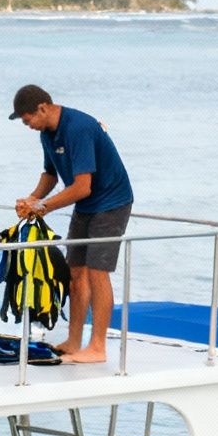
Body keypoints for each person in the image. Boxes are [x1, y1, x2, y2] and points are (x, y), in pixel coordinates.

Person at [9, 84, 134, 365]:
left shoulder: (77, 127)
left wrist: (42, 207)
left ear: (43, 108)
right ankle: (74, 341)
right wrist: (32, 198)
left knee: (97, 273)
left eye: (28, 119)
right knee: (75, 272)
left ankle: (98, 347)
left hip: (112, 203)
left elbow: (82, 187)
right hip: (87, 205)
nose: (27, 125)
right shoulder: (46, 133)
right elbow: (50, 174)